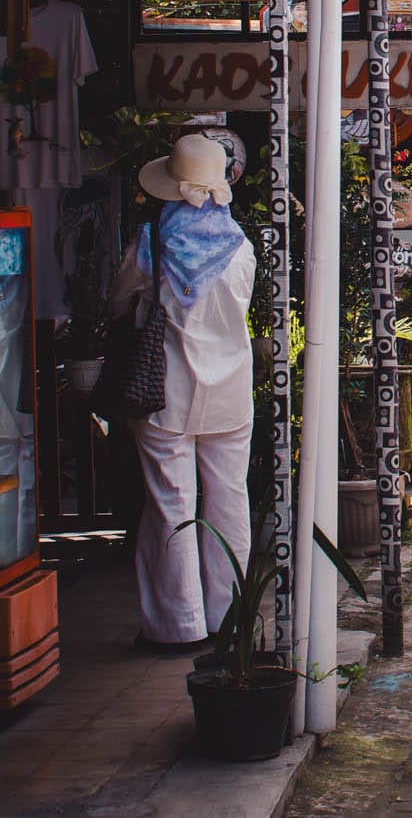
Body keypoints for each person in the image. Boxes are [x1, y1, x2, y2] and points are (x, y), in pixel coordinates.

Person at [109, 134, 255, 652]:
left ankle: (179, 625)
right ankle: (230, 613)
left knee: (172, 503)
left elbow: (120, 299)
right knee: (229, 499)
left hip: (164, 389)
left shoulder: (151, 244)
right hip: (232, 388)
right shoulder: (242, 247)